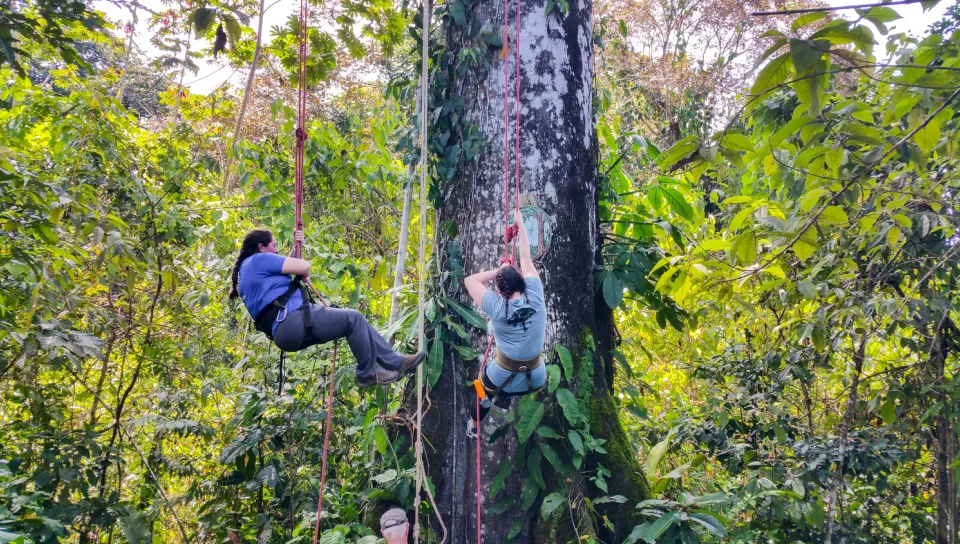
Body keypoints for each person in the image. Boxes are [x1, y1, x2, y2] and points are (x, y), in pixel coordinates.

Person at [229, 228, 424, 388]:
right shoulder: (258, 259)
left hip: (285, 333)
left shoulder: (246, 274)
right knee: (353, 319)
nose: (277, 251)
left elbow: (284, 276)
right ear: (261, 247)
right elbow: (303, 268)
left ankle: (389, 364)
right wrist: (301, 259)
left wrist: (296, 246)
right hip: (293, 321)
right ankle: (373, 371)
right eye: (274, 246)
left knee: (351, 321)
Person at [463, 208, 547, 437]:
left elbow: (470, 280)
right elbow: (527, 258)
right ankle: (506, 397)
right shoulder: (536, 292)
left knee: (482, 391)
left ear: (500, 290)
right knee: (526, 360)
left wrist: (497, 271)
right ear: (522, 280)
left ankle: (474, 425)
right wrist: (520, 227)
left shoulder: (497, 306)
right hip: (537, 377)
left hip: (503, 375)